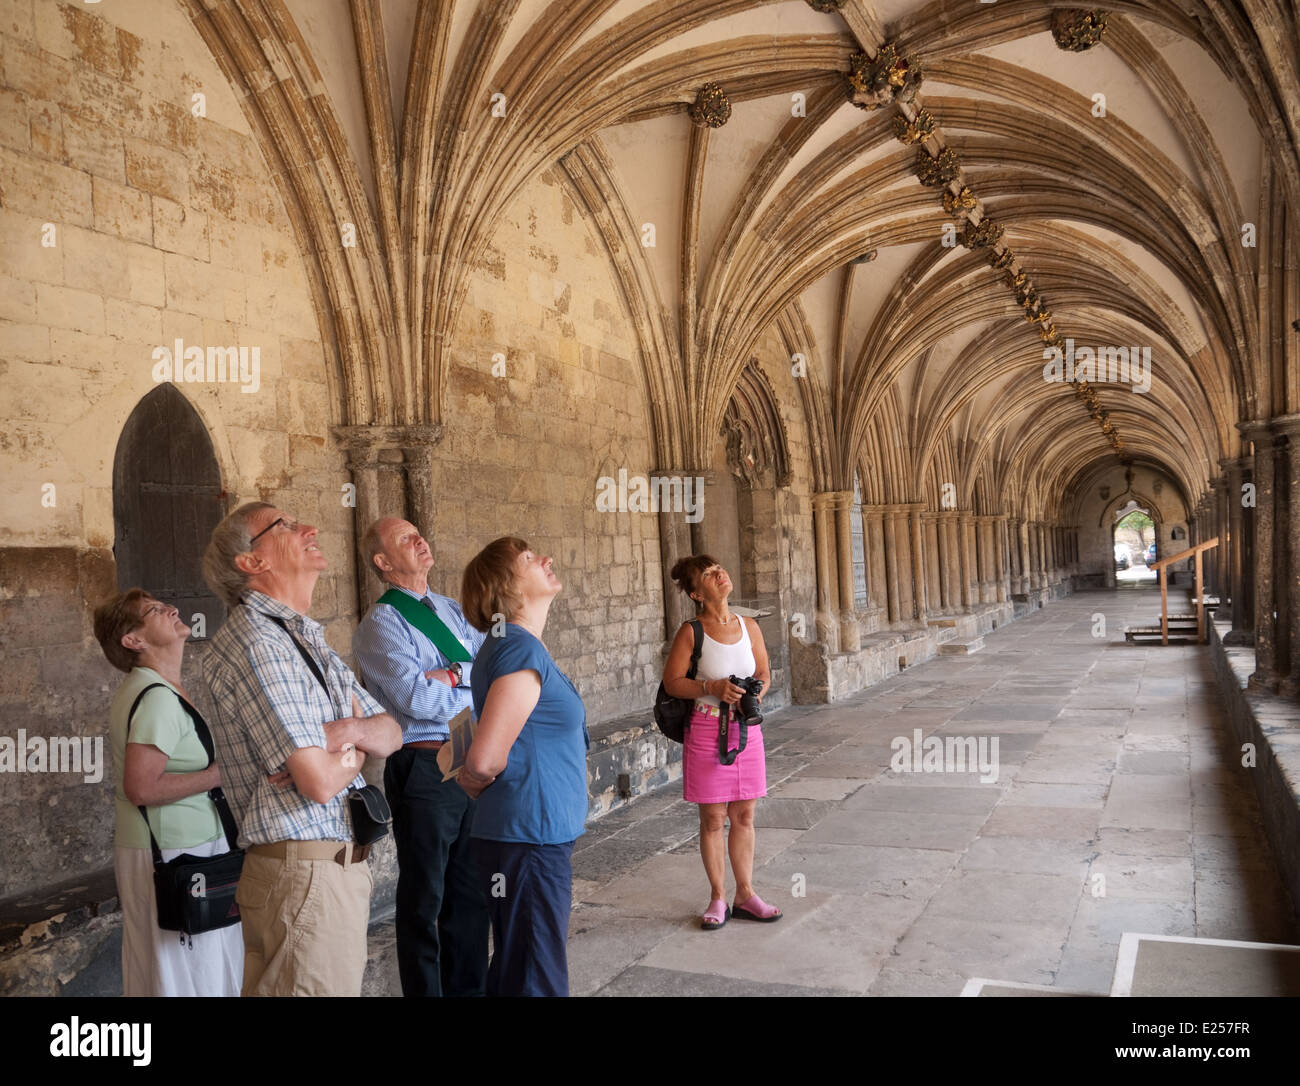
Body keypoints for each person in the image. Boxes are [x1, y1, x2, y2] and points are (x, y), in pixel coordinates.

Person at [201, 502, 403, 996]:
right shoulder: (258, 643)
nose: (310, 529)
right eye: (286, 526)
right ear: (251, 562)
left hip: (324, 870)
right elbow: (316, 782)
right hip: (304, 875)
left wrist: (339, 734)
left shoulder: (302, 639)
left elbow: (394, 732)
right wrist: (354, 743)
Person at [352, 516, 489, 997]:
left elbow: (488, 669)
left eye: (419, 533)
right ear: (383, 562)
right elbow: (417, 701)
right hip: (426, 765)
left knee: (471, 893)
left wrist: (450, 674)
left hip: (471, 754)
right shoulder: (382, 623)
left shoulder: (451, 609)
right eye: (405, 539)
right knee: (425, 899)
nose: (421, 540)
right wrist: (462, 677)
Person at [94, 589, 243, 997]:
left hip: (184, 847)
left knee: (192, 967)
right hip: (174, 852)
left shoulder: (157, 688)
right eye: (156, 611)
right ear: (133, 640)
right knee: (188, 971)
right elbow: (140, 787)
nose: (173, 609)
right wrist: (219, 775)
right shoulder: (157, 698)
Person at [457, 537, 589, 996]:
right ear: (505, 587)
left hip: (522, 834)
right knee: (536, 975)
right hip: (530, 834)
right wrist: (479, 782)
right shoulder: (518, 649)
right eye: (529, 559)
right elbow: (483, 758)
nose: (546, 558)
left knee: (518, 965)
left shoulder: (510, 645)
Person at [661, 554, 781, 931]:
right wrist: (710, 687)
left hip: (747, 732)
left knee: (744, 815)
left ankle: (745, 894)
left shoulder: (748, 626)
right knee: (713, 818)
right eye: (710, 575)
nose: (720, 574)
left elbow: (763, 671)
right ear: (697, 592)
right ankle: (718, 897)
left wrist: (756, 693)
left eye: (719, 569)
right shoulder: (690, 632)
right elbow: (672, 683)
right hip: (707, 729)